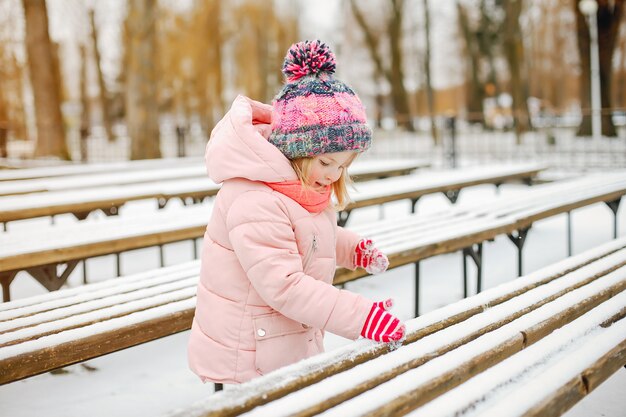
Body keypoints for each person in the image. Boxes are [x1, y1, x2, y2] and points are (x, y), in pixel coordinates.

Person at [187, 40, 405, 387]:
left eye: (344, 166)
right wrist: (361, 317)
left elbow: (305, 235)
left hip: (279, 341)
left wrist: (348, 247)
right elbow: (285, 286)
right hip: (246, 358)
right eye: (326, 162)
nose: (334, 175)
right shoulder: (255, 198)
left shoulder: (300, 186)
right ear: (297, 151)